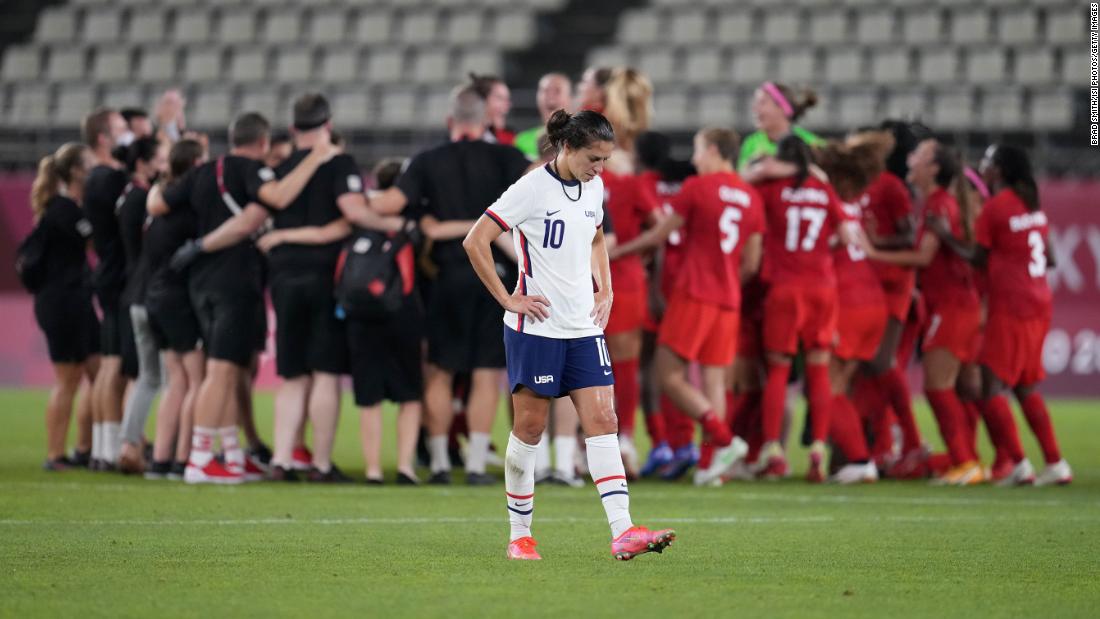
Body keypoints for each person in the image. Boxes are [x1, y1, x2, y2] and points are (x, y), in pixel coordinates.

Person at [464, 109, 675, 561]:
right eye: (593, 158)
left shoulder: (594, 187)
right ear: (568, 147)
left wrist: (607, 286)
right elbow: (475, 240)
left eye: (605, 159)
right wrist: (507, 298)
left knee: (604, 420)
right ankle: (519, 535)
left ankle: (623, 531)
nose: (600, 168)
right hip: (536, 328)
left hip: (582, 326)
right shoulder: (531, 188)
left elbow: (597, 236)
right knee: (530, 428)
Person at [148, 111, 336, 484]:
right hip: (233, 280)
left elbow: (158, 204)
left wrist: (156, 181)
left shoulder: (203, 172)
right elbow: (278, 197)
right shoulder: (251, 170)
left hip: (201, 281)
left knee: (234, 371)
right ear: (263, 144)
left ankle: (232, 454)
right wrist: (315, 157)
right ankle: (201, 458)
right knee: (221, 372)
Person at [368, 85, 530, 485]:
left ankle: (440, 462)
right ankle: (475, 465)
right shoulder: (508, 158)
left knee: (439, 370)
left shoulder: (426, 160)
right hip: (494, 275)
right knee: (485, 372)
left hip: (442, 277)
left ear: (449, 121)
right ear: (486, 120)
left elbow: (388, 205)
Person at [259, 92, 402, 483]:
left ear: (292, 129)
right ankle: (321, 463)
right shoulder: (339, 163)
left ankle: (283, 460)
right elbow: (354, 211)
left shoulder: (280, 167)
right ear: (327, 123)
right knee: (324, 373)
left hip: (283, 275)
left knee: (291, 375)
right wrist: (395, 226)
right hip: (325, 277)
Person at [616, 128, 765, 486]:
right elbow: (752, 263)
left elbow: (658, 235)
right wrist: (727, 281)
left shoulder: (697, 188)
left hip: (694, 292)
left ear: (713, 150)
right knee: (714, 379)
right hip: (729, 298)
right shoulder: (750, 196)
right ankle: (713, 465)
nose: (695, 159)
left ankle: (725, 440)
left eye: (698, 151)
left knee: (668, 375)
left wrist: (611, 254)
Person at [929, 144, 1071, 486]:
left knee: (991, 386)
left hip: (1011, 306)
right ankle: (1055, 462)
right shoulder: (1032, 207)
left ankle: (1019, 464)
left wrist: (945, 235)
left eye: (989, 162)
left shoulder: (996, 209)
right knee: (1025, 385)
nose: (983, 166)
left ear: (1001, 171)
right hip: (1040, 303)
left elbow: (977, 257)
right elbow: (1050, 258)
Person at [865, 139, 986, 485]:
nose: (910, 158)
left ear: (933, 168)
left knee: (937, 387)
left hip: (951, 308)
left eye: (918, 155)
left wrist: (872, 252)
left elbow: (922, 258)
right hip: (954, 305)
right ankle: (969, 459)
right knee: (960, 387)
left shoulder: (937, 205)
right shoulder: (938, 203)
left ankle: (965, 462)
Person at [750, 135, 859, 482]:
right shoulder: (822, 188)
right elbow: (847, 235)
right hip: (822, 288)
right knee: (819, 371)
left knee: (779, 370)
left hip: (785, 287)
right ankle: (818, 450)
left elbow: (740, 183)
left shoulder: (771, 187)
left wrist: (766, 169)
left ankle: (774, 452)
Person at [26, 143, 101, 470]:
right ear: (75, 172)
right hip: (62, 301)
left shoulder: (65, 208)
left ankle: (85, 446)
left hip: (74, 299)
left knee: (101, 373)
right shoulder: (63, 210)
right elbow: (96, 241)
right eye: (90, 164)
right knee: (68, 379)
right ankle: (55, 454)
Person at [600, 67, 658, 475]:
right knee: (627, 367)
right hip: (626, 277)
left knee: (587, 367)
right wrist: (632, 252)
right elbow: (660, 227)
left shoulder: (577, 178)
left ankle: (584, 448)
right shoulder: (634, 181)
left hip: (589, 279)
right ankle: (626, 444)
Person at [143, 138, 207, 480]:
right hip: (178, 299)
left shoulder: (159, 207)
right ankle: (184, 457)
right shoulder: (187, 209)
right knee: (198, 379)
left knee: (176, 381)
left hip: (155, 296)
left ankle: (162, 458)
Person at [115, 136, 170, 474]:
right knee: (171, 379)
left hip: (136, 292)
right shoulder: (144, 201)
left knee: (147, 377)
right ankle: (169, 452)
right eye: (160, 157)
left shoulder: (130, 197)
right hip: (155, 294)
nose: (164, 163)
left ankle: (128, 443)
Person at [80, 107, 130, 470]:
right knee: (115, 367)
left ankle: (102, 448)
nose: (126, 135)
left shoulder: (95, 178)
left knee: (109, 366)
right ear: (103, 138)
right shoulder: (109, 179)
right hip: (118, 276)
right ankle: (111, 448)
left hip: (106, 273)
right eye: (121, 129)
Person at [737, 82, 824, 172]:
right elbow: (741, 180)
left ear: (783, 108)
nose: (755, 108)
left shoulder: (812, 143)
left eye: (762, 103)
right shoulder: (751, 143)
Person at [514, 73, 573, 161]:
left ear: (569, 98)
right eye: (545, 90)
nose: (550, 96)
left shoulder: (580, 139)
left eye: (557, 91)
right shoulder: (521, 140)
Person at [468, 73, 516, 146]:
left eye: (507, 99)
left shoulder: (511, 138)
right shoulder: (465, 138)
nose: (508, 105)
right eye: (500, 98)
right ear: (481, 100)